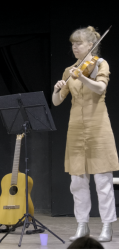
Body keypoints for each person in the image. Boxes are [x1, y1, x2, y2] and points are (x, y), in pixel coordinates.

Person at [52, 26, 118, 242]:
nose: (74, 47)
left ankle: (107, 226)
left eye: (78, 43)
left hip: (98, 127)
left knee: (102, 181)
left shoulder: (100, 64)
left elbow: (100, 88)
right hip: (76, 130)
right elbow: (57, 101)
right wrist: (57, 88)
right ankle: (82, 225)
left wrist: (82, 78)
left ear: (90, 45)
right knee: (77, 182)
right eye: (72, 44)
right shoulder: (70, 70)